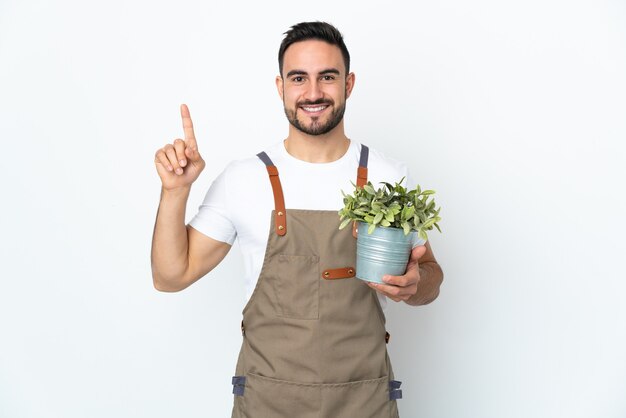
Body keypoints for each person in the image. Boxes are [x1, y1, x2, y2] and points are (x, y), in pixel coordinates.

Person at [151, 21, 443, 418]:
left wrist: (415, 285)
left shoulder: (387, 177)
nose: (313, 93)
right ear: (280, 87)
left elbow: (430, 276)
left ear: (349, 84)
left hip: (364, 402)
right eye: (299, 78)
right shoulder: (243, 178)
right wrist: (175, 191)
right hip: (268, 404)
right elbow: (170, 276)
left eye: (328, 77)